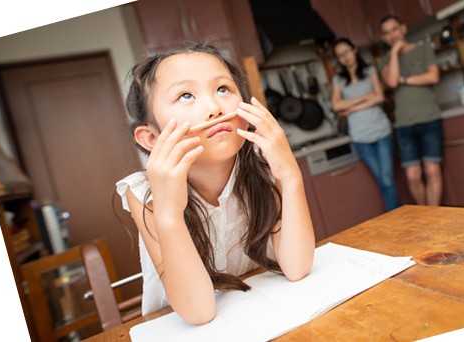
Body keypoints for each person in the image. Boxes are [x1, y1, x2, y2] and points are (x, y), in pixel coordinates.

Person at [115, 42, 315, 325]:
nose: (214, 108)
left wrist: (290, 175)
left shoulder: (263, 162)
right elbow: (198, 312)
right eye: (186, 95)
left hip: (266, 316)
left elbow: (297, 267)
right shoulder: (142, 192)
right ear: (151, 138)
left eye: (223, 89)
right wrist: (169, 212)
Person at [377, 15, 444, 206]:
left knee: (432, 170)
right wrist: (395, 53)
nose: (392, 35)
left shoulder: (423, 49)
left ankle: (436, 216)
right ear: (383, 38)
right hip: (404, 123)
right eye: (387, 33)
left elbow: (433, 76)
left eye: (394, 29)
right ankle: (426, 216)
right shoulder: (385, 61)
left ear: (403, 28)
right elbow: (390, 81)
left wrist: (405, 80)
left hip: (429, 117)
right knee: (413, 175)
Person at [330, 37, 400, 211]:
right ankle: (396, 218)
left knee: (387, 179)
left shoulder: (369, 71)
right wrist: (366, 97)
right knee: (382, 180)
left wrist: (352, 108)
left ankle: (398, 220)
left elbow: (380, 97)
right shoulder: (338, 80)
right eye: (340, 55)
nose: (344, 57)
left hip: (381, 131)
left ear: (354, 50)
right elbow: (337, 105)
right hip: (360, 137)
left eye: (346, 52)